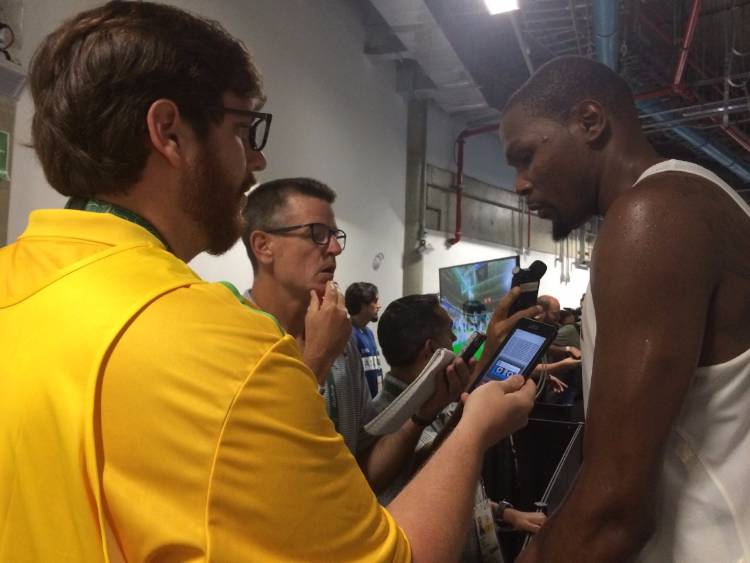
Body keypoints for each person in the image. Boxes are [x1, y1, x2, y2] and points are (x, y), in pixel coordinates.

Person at [0, 3, 537, 561]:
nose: (256, 159)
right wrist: (474, 430)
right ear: (169, 132)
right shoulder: (227, 351)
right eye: (243, 129)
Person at [501, 55, 750, 562]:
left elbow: (616, 512)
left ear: (590, 122)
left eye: (526, 156)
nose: (520, 184)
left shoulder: (652, 215)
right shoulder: (701, 200)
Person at [242, 178, 470, 492]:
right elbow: (259, 475)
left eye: (335, 236)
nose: (334, 248)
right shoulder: (235, 339)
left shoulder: (342, 341)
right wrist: (317, 359)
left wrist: (421, 416)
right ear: (263, 246)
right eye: (317, 234)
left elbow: (360, 472)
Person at [375, 294, 548, 542]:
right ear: (432, 350)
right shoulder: (388, 419)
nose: (456, 339)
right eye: (450, 331)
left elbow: (460, 481)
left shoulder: (434, 398)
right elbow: (437, 472)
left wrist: (506, 513)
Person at [345, 281, 385, 396]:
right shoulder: (348, 334)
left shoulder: (369, 333)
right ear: (363, 305)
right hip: (360, 407)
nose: (379, 306)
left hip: (375, 404)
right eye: (375, 301)